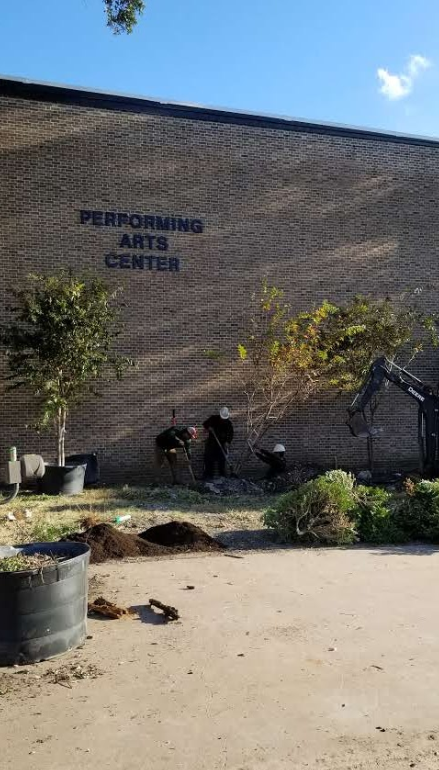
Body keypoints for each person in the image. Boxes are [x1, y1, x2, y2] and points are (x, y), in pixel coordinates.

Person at [203, 407, 234, 478]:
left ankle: (222, 475)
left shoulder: (228, 423)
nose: (223, 419)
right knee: (209, 459)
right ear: (220, 415)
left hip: (222, 444)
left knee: (222, 460)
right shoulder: (213, 419)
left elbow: (231, 434)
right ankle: (209, 475)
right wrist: (209, 427)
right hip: (212, 442)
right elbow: (205, 424)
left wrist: (227, 442)